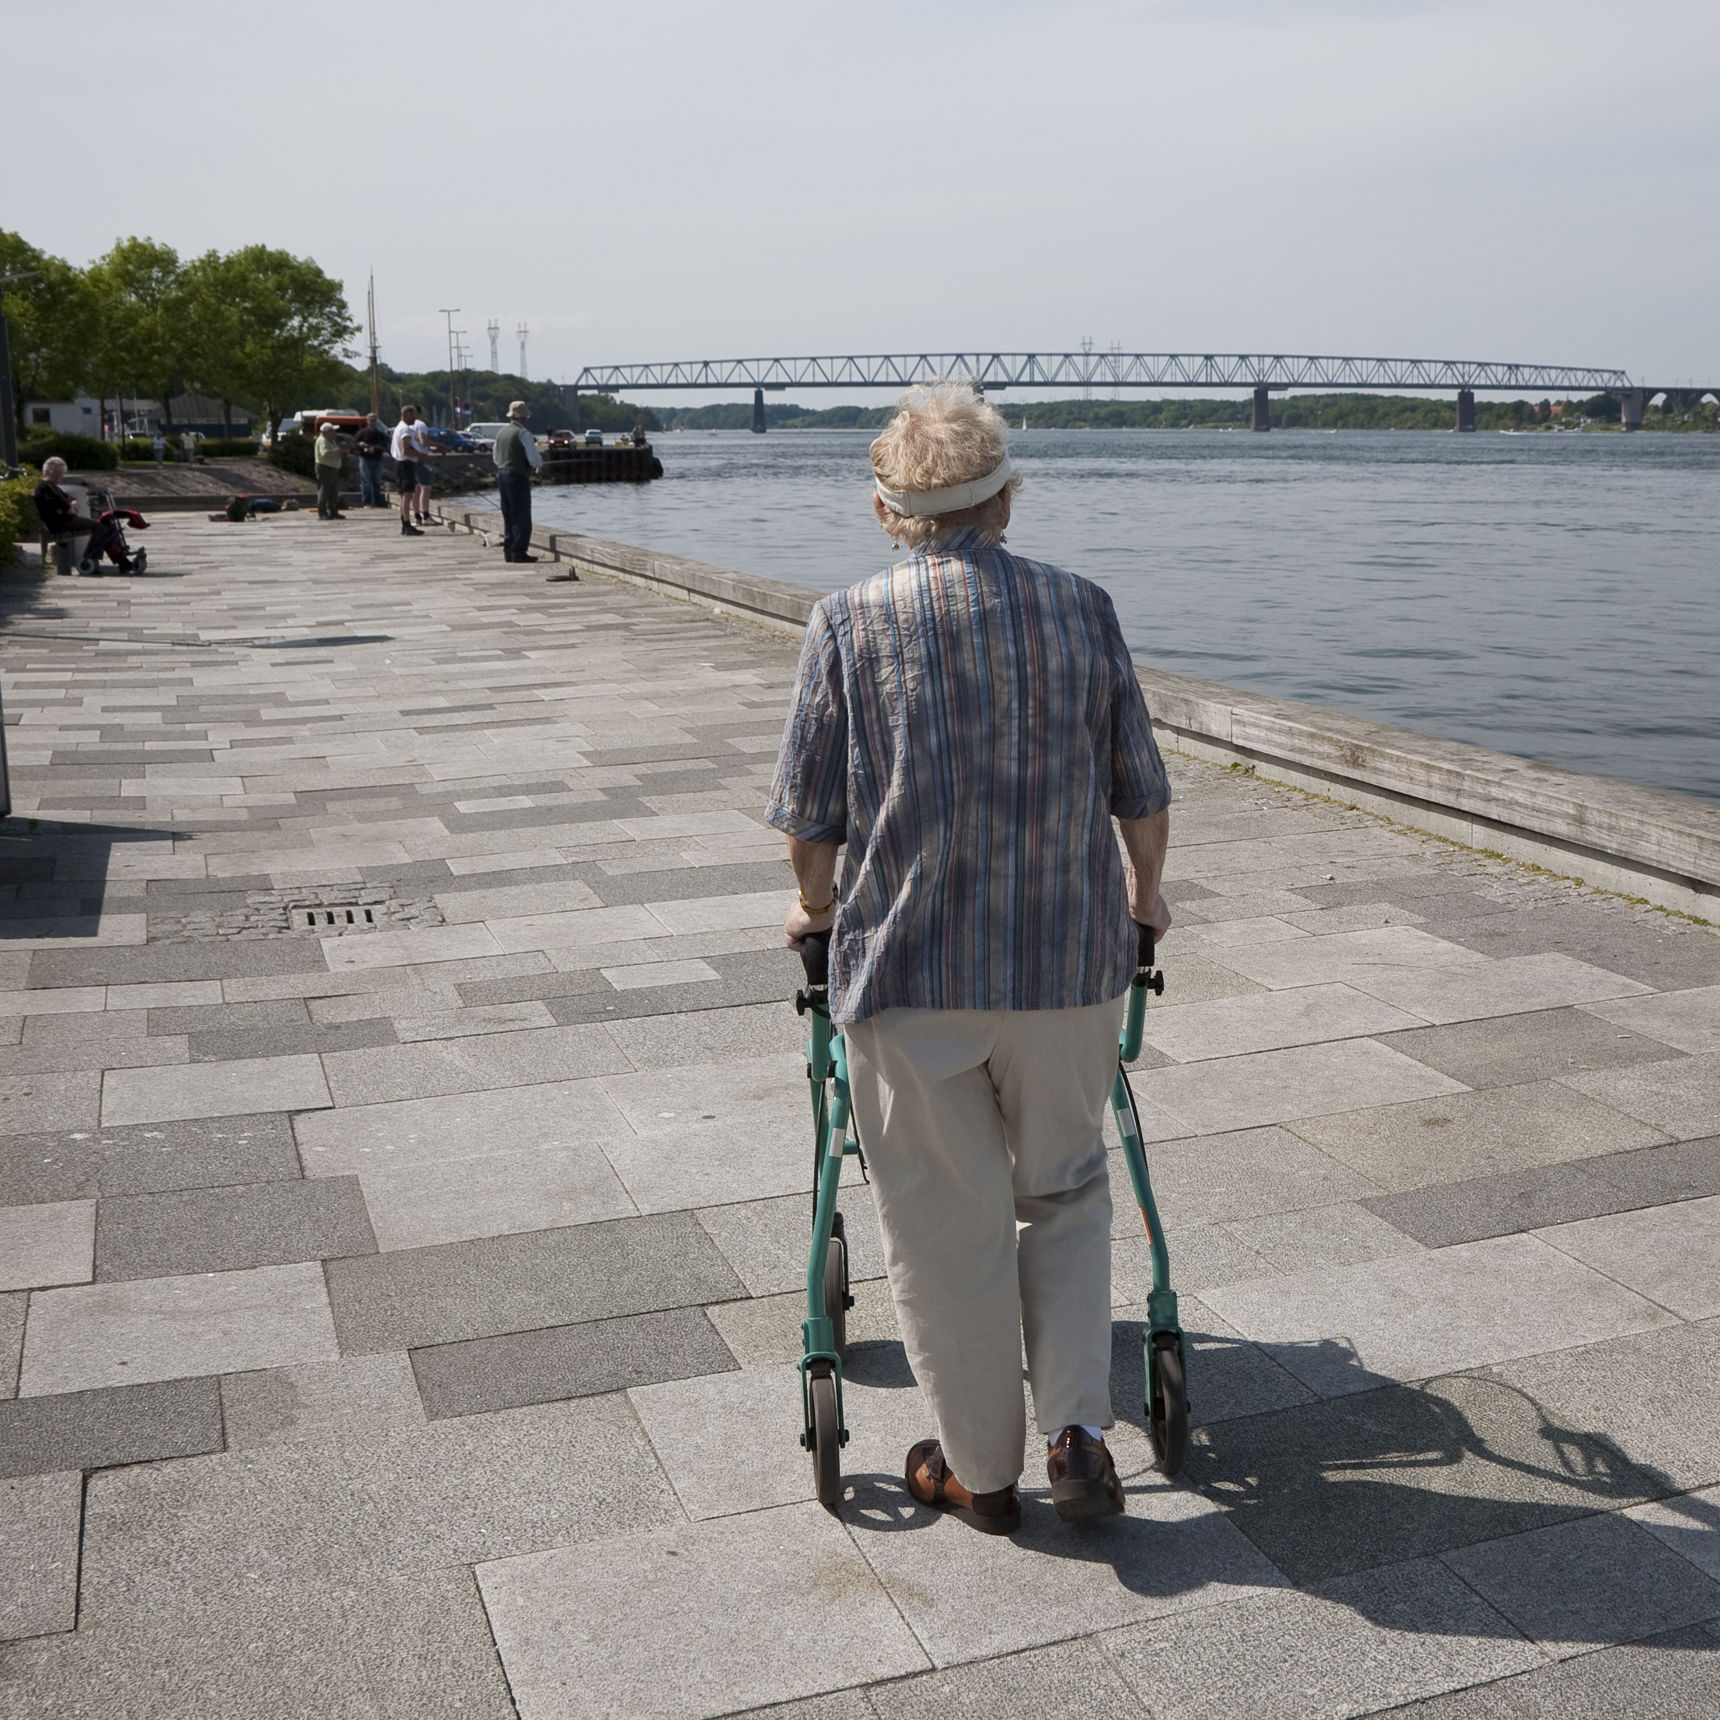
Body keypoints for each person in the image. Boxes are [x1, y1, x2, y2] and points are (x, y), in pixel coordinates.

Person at [767, 383, 1173, 1535]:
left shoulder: (848, 621)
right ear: (1004, 495)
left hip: (909, 973)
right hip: (1066, 966)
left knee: (947, 1223)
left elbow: (809, 817)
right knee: (1068, 1189)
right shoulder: (1083, 607)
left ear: (888, 509)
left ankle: (980, 1474)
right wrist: (1144, 900)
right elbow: (1137, 790)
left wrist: (814, 908)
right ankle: (1079, 1430)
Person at [33, 456, 133, 574]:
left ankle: (121, 561)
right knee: (100, 528)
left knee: (107, 525)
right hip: (61, 523)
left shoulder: (52, 487)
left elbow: (69, 500)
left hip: (65, 520)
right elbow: (67, 506)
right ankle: (89, 559)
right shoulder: (47, 487)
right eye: (59, 473)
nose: (61, 476)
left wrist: (70, 505)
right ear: (50, 472)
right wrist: (69, 506)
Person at [492, 399, 542, 564]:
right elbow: (535, 461)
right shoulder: (524, 434)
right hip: (518, 477)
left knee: (508, 515)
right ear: (524, 418)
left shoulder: (501, 433)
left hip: (502, 475)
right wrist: (537, 466)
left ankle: (509, 551)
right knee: (521, 515)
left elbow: (495, 457)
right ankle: (519, 552)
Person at [390, 404, 435, 536]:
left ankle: (405, 523)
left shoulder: (399, 427)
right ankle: (407, 525)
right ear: (406, 415)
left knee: (404, 495)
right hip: (405, 465)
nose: (415, 417)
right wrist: (422, 456)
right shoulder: (405, 430)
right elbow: (406, 450)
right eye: (413, 414)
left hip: (400, 464)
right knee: (407, 495)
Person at [354, 413, 389, 507]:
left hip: (377, 459)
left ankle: (377, 502)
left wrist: (374, 449)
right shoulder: (361, 432)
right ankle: (367, 502)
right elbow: (354, 444)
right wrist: (361, 446)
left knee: (376, 481)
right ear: (367, 421)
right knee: (366, 481)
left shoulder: (381, 434)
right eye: (371, 420)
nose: (372, 422)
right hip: (365, 459)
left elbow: (384, 446)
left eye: (374, 420)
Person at [313, 422, 347, 521]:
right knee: (324, 491)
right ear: (325, 432)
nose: (334, 433)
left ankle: (333, 511)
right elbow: (325, 454)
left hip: (332, 468)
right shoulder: (323, 440)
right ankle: (322, 513)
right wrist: (341, 451)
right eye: (332, 431)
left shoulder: (330, 440)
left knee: (333, 491)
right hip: (325, 468)